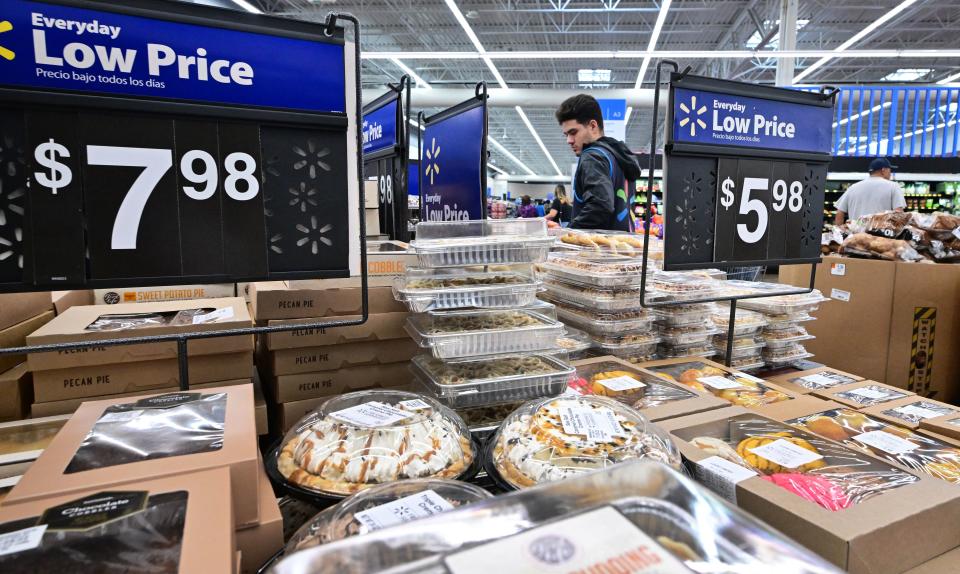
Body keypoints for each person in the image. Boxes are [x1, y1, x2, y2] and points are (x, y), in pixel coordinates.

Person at [556, 94, 642, 231]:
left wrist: (568, 231)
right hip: (624, 246)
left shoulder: (592, 156)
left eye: (573, 132)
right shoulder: (617, 156)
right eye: (566, 135)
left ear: (592, 126)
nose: (569, 140)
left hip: (598, 248)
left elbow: (601, 205)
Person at [835, 158, 906, 225]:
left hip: (856, 236)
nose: (890, 174)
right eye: (890, 171)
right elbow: (898, 214)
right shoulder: (893, 186)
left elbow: (839, 213)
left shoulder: (853, 187)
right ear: (883, 170)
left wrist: (840, 233)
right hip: (880, 236)